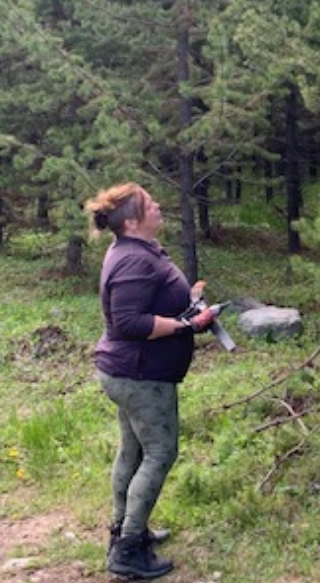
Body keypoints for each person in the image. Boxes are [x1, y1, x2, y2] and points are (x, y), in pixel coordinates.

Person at [84, 182, 219, 579]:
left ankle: (126, 530)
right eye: (150, 204)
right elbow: (129, 322)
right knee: (159, 453)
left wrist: (187, 301)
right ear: (131, 221)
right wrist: (187, 324)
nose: (158, 206)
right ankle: (127, 551)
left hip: (130, 372)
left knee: (133, 452)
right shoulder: (133, 260)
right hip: (140, 375)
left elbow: (148, 303)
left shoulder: (139, 251)